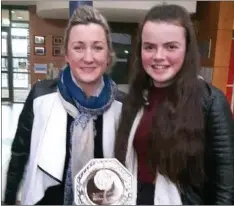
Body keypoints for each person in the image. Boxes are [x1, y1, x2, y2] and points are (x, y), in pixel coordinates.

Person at [4, 5, 125, 205]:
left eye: (97, 47)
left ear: (108, 55)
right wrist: (8, 200)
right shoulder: (41, 96)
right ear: (67, 54)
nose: (88, 57)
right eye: (78, 47)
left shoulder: (123, 105)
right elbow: (19, 155)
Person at [115, 4, 234, 205]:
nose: (158, 56)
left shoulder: (210, 102)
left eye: (171, 46)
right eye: (149, 47)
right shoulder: (135, 98)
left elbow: (226, 188)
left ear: (187, 49)